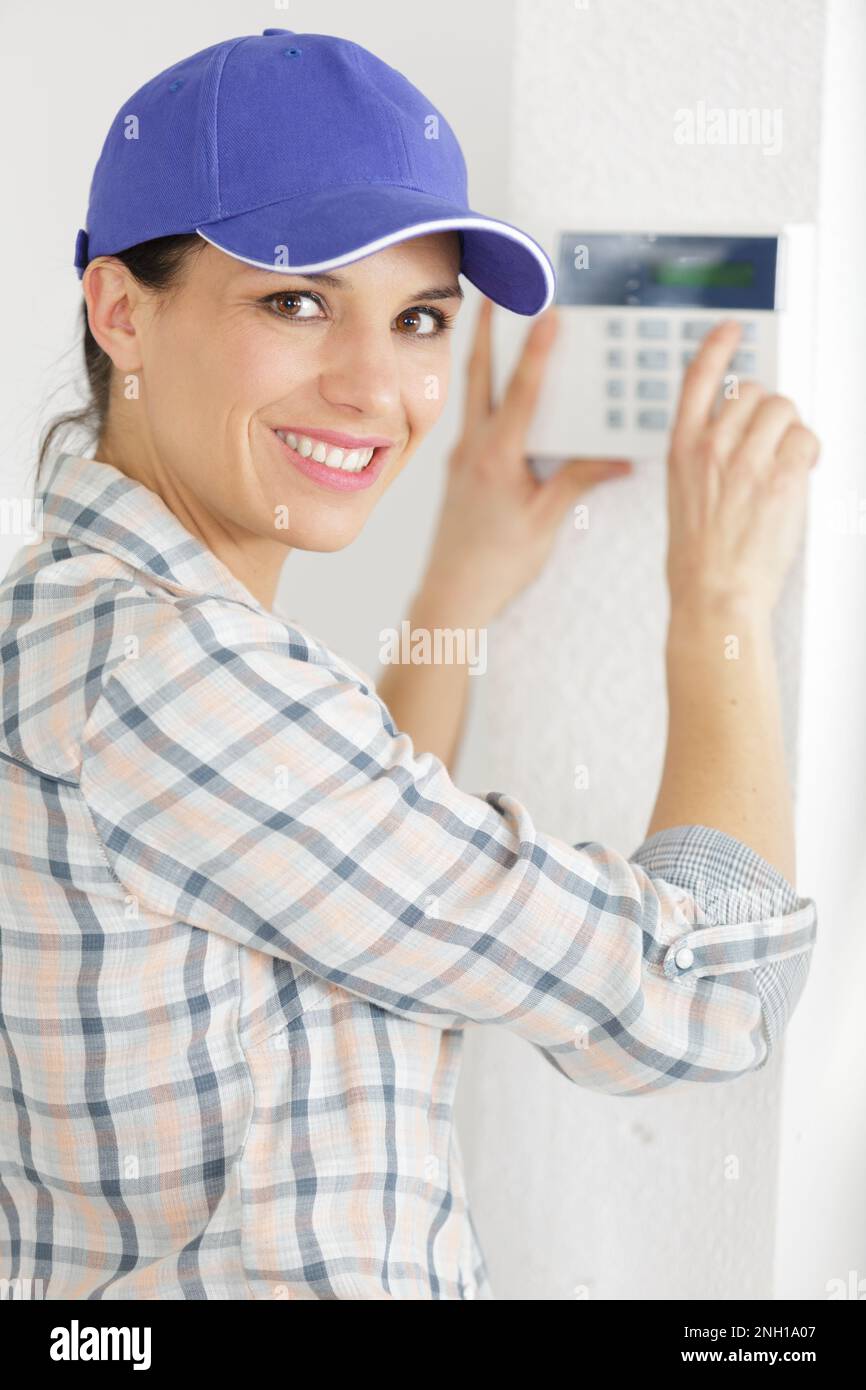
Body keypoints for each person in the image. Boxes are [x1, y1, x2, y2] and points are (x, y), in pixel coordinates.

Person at [0, 29, 819, 1301]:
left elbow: (338, 891)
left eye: (420, 317)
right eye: (296, 301)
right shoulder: (176, 677)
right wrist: (716, 610)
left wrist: (458, 585)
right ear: (121, 312)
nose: (376, 387)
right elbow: (702, 996)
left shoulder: (75, 630)